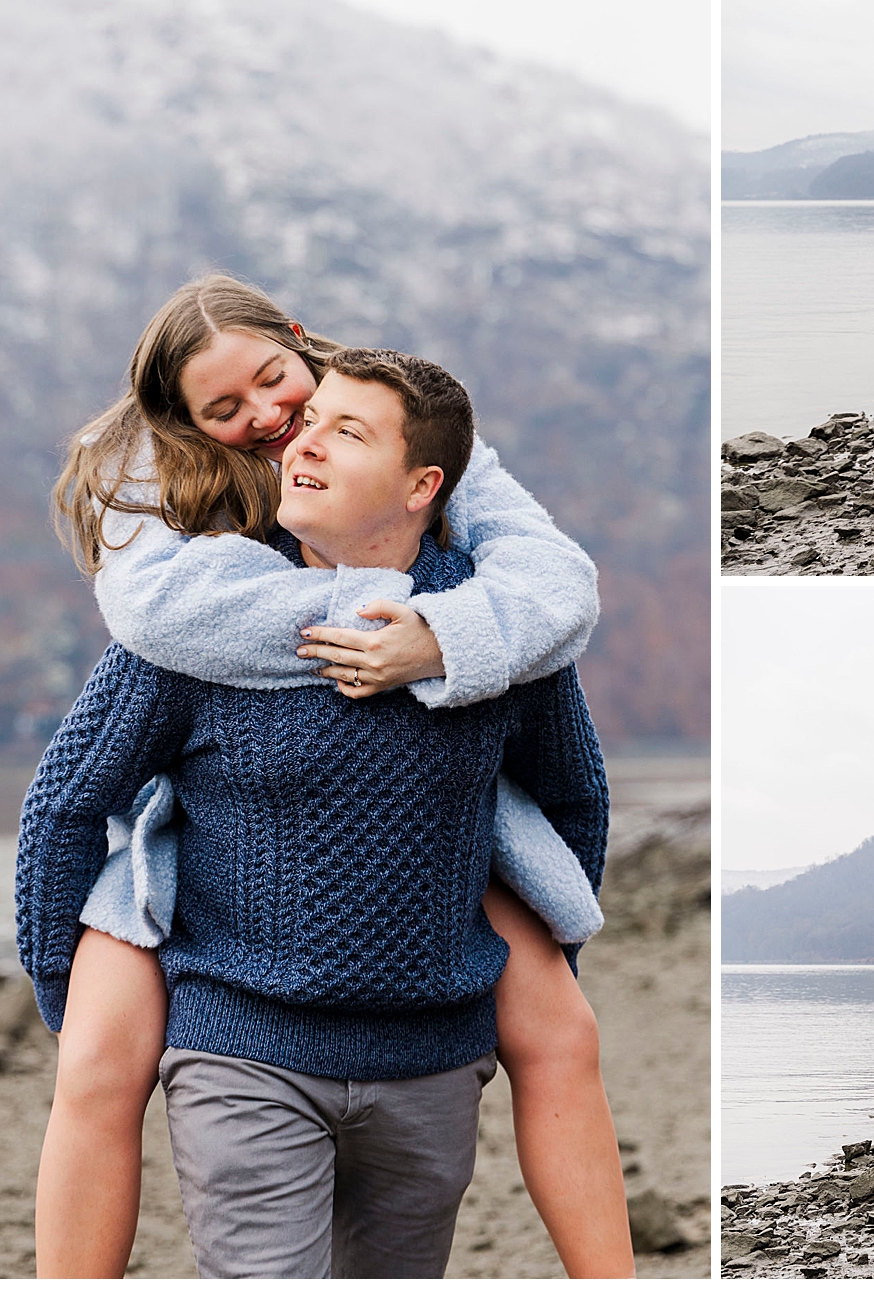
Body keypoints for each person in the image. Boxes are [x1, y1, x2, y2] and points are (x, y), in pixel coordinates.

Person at [34, 279, 632, 1277]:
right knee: (94, 1062)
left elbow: (559, 598)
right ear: (189, 427)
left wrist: (445, 636)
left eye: (280, 386)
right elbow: (145, 640)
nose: (270, 422)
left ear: (302, 347)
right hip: (206, 849)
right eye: (226, 411)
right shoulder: (181, 517)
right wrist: (359, 621)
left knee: (562, 1028)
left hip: (443, 842)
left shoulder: (420, 447)